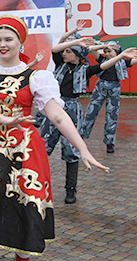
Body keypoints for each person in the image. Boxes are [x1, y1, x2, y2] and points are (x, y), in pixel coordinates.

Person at [0, 16, 110, 261]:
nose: (2, 44)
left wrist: (83, 148)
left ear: (20, 42)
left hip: (26, 147)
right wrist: (5, 121)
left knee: (25, 203)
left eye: (8, 39)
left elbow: (58, 116)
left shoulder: (36, 77)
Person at [39, 32, 133, 203]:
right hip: (54, 106)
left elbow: (105, 65)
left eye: (69, 51)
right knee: (42, 147)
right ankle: (37, 185)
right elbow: (55, 49)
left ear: (77, 55)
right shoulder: (60, 63)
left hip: (72, 109)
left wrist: (120, 55)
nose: (64, 53)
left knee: (71, 150)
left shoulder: (86, 70)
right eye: (65, 51)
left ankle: (70, 191)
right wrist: (77, 41)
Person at [80, 42, 134, 154]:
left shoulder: (123, 62)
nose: (107, 54)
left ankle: (110, 142)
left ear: (117, 52)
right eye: (105, 52)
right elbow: (93, 50)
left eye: (110, 51)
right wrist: (100, 45)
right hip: (101, 86)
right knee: (91, 112)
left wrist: (129, 53)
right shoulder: (102, 60)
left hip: (115, 88)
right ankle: (81, 138)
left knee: (112, 115)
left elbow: (134, 60)